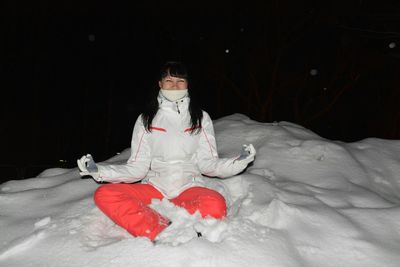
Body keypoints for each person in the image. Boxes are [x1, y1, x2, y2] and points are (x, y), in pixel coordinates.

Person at [77, 61, 256, 241]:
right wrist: (100, 171)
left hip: (188, 188)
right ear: (160, 84)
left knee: (215, 203)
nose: (175, 86)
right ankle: (158, 229)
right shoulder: (146, 119)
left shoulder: (200, 117)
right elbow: (137, 168)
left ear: (187, 84)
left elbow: (208, 163)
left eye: (180, 81)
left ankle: (179, 223)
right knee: (105, 194)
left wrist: (238, 162)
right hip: (155, 189)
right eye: (169, 81)